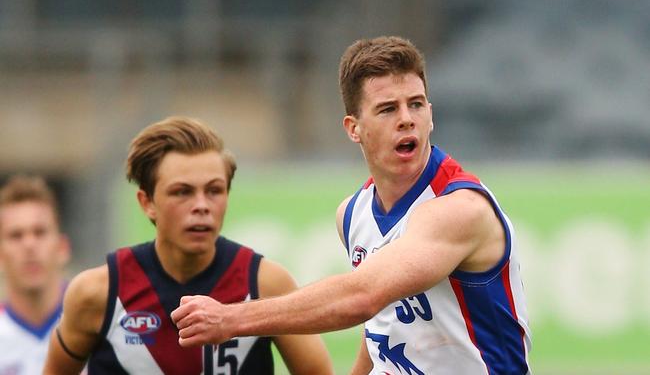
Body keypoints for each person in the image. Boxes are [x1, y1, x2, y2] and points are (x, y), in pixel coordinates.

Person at [172, 36, 533, 374]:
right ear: (353, 128)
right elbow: (381, 319)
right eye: (388, 108)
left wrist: (231, 320)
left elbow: (362, 297)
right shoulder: (352, 213)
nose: (407, 118)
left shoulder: (458, 208)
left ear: (431, 114)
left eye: (416, 104)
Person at [43, 116, 333, 375]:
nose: (201, 206)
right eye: (182, 192)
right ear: (147, 203)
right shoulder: (97, 293)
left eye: (214, 190)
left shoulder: (266, 283)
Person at [0, 174, 71, 375]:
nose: (29, 245)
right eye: (16, 235)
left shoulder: (99, 326)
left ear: (62, 248)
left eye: (39, 232)